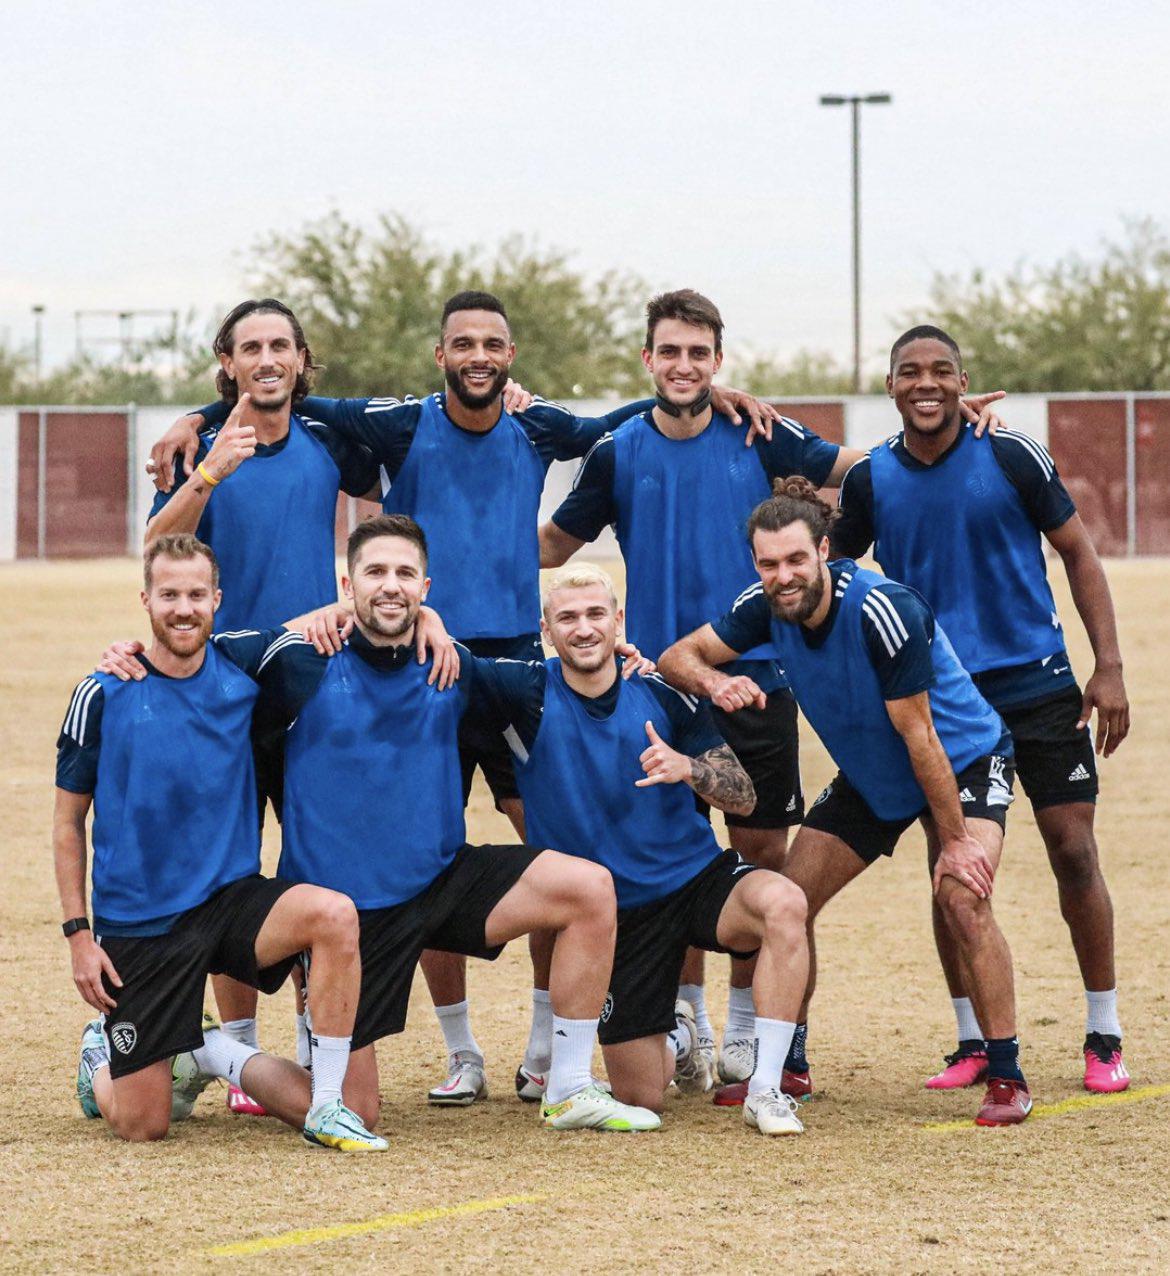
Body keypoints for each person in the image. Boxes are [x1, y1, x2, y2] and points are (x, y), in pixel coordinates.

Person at [150, 289, 780, 1107]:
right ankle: (298, 1048)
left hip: (488, 666)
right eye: (462, 343)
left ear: (509, 356)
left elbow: (614, 424)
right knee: (284, 857)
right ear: (440, 355)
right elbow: (260, 417)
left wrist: (710, 394)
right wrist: (198, 422)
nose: (477, 355)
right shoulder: (375, 427)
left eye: (492, 343)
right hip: (326, 670)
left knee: (549, 845)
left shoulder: (502, 429)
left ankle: (541, 1050)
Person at [540, 289, 1006, 1092]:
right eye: (669, 351)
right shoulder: (617, 450)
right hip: (659, 687)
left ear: (718, 361)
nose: (684, 365)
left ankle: (753, 1036)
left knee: (761, 860)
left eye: (698, 353)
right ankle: (685, 1018)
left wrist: (947, 425)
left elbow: (866, 470)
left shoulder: (759, 432)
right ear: (647, 359)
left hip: (759, 684)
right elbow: (553, 545)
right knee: (670, 857)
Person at [219, 514, 658, 1133]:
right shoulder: (298, 659)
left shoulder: (450, 664)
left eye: (405, 574)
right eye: (375, 572)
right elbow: (196, 654)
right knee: (353, 1110)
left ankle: (568, 1087)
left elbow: (557, 679)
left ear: (425, 588)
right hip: (349, 918)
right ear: (347, 585)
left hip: (442, 883)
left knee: (588, 888)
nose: (390, 585)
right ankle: (208, 1052)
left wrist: (620, 656)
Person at [142, 297, 455, 1116]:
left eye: (280, 345)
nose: (267, 359)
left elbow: (393, 512)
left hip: (314, 686)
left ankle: (321, 1038)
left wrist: (422, 610)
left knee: (319, 864)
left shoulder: (325, 438)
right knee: (230, 870)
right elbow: (157, 546)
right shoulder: (201, 449)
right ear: (228, 362)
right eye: (250, 347)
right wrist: (209, 460)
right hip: (220, 692)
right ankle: (238, 1049)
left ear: (301, 359)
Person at [659, 479, 1033, 1126]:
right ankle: (788, 1066)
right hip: (874, 773)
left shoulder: (883, 610)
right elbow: (677, 656)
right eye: (769, 563)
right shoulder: (762, 607)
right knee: (788, 901)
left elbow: (922, 738)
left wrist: (955, 842)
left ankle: (1006, 1073)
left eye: (795, 559)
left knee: (962, 896)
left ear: (824, 551)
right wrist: (716, 682)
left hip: (960, 758)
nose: (783, 576)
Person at [832, 325, 1131, 1094]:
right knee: (951, 862)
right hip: (946, 704)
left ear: (964, 383)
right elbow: (829, 570)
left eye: (942, 370)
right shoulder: (872, 480)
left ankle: (1104, 1031)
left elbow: (1078, 552)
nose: (925, 383)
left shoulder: (1011, 454)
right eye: (910, 371)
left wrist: (1108, 667)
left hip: (1038, 687)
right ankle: (972, 1038)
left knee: (1074, 850)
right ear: (891, 386)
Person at [56, 534, 384, 1150]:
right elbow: (68, 822)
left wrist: (433, 619)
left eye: (196, 595)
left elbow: (349, 613)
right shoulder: (103, 691)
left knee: (334, 914)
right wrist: (79, 936)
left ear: (217, 600)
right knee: (143, 1125)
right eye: (169, 595)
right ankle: (101, 1057)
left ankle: (309, 1095)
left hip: (230, 901)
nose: (183, 609)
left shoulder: (243, 661)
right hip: (142, 924)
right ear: (146, 600)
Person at [459, 562, 811, 1135]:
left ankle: (766, 1089)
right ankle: (679, 1035)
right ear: (546, 629)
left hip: (694, 880)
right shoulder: (524, 691)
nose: (584, 628)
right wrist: (425, 618)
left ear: (618, 620)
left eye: (596, 614)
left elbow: (744, 797)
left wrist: (688, 767)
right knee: (642, 1094)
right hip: (616, 918)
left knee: (785, 902)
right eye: (567, 618)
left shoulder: (661, 694)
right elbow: (447, 659)